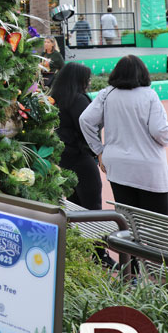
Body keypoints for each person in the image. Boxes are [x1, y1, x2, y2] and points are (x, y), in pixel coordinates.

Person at [79, 55, 168, 215]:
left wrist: (98, 150)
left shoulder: (106, 94)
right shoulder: (150, 95)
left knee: (128, 219)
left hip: (117, 165)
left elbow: (85, 120)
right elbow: (160, 132)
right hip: (148, 167)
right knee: (158, 220)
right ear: (142, 73)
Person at [52, 63, 100, 209]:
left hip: (65, 156)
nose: (89, 82)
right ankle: (95, 232)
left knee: (75, 203)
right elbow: (87, 127)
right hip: (81, 156)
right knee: (92, 203)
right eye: (87, 79)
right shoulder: (78, 100)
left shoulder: (56, 98)